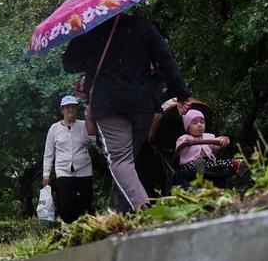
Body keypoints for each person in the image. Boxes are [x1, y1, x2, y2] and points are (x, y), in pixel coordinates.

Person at [63, 13, 194, 212]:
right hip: (144, 104)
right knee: (126, 162)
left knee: (120, 160)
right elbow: (165, 59)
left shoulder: (90, 31)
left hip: (109, 105)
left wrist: (78, 37)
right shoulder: (142, 25)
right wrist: (181, 92)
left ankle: (145, 211)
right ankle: (113, 213)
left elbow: (70, 64)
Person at [42, 95, 97, 223]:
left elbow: (95, 142)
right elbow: (48, 154)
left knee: (86, 204)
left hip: (84, 170)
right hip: (63, 170)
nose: (70, 109)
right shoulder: (54, 129)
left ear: (77, 109)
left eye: (73, 106)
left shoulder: (84, 125)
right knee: (66, 204)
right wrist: (46, 173)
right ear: (62, 110)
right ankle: (68, 231)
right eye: (67, 107)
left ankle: (88, 230)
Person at [175, 109, 242, 177]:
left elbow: (216, 142)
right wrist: (187, 142)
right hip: (189, 164)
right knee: (195, 164)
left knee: (216, 163)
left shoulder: (208, 136)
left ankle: (235, 164)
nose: (199, 125)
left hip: (207, 163)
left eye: (202, 122)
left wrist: (224, 140)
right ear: (188, 128)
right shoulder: (184, 137)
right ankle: (200, 167)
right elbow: (180, 150)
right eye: (195, 123)